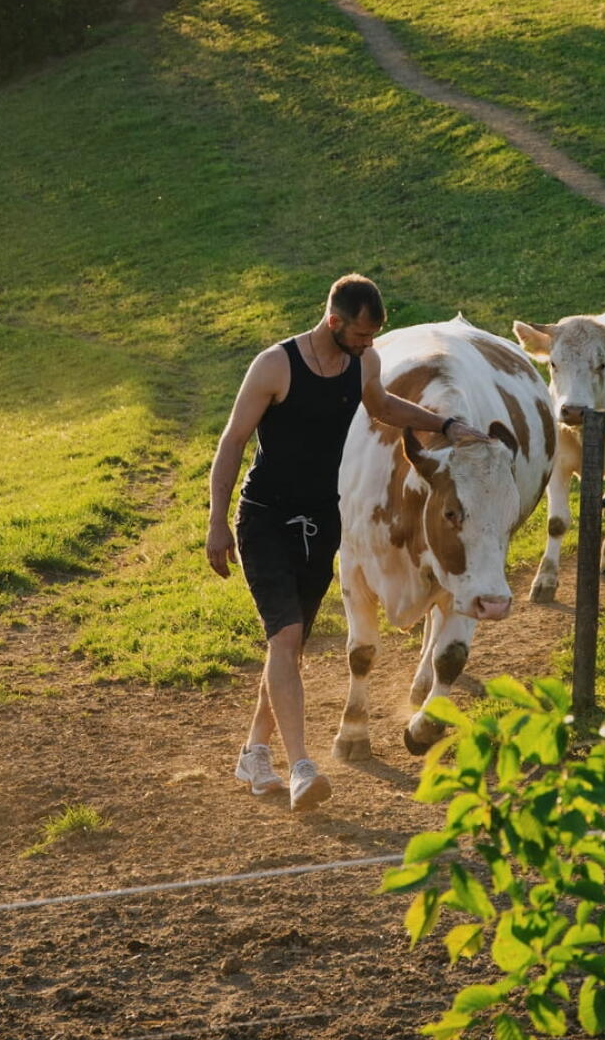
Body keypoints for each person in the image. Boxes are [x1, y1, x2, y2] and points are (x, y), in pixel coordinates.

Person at [206, 274, 486, 812]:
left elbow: (383, 407)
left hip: (321, 521)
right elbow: (232, 441)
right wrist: (218, 522)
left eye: (373, 336)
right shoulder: (275, 366)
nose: (368, 344)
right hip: (264, 519)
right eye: (360, 335)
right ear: (334, 322)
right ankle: (301, 768)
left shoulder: (365, 363)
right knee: (286, 639)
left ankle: (254, 751)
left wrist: (446, 425)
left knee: (287, 647)